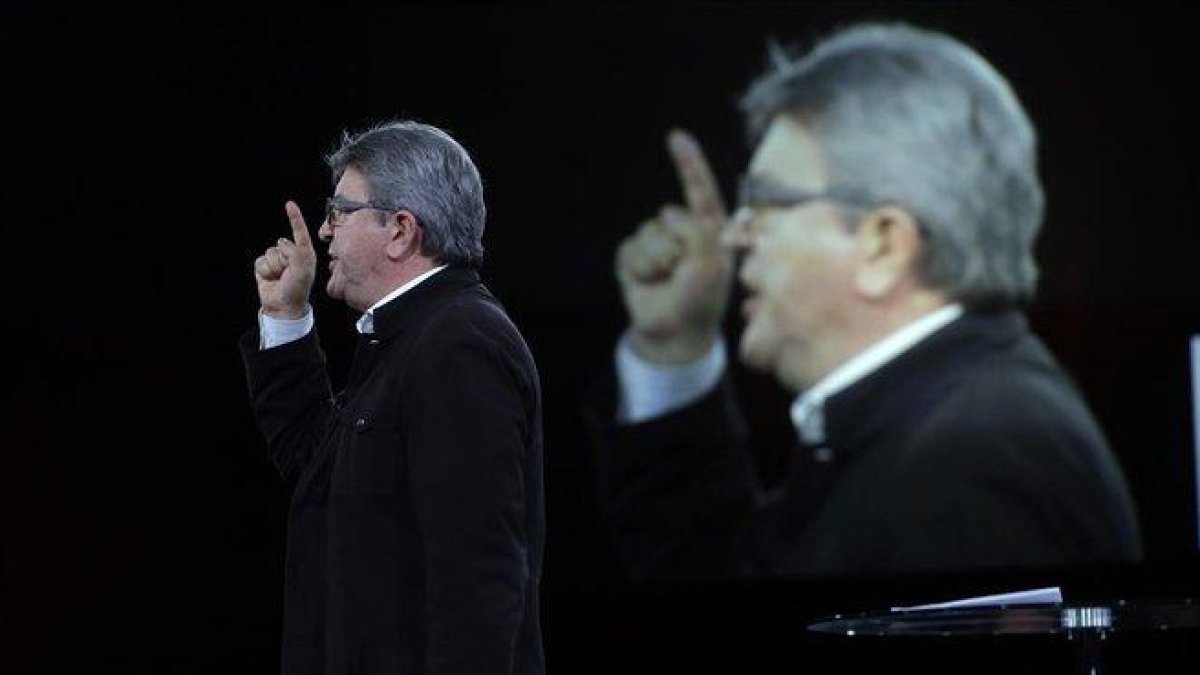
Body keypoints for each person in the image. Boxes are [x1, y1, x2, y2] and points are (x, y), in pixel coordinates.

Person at [588, 22, 1142, 580]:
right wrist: (676, 346)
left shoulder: (971, 463)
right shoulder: (933, 421)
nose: (734, 236)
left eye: (765, 202)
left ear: (884, 244)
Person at [239, 121, 544, 674]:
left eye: (339, 210)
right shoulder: (406, 338)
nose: (326, 232)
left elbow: (477, 577)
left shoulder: (459, 341)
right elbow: (316, 470)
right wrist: (285, 317)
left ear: (401, 230)